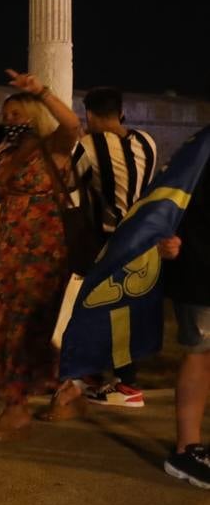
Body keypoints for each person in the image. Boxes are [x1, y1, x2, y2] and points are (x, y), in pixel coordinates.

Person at [0, 71, 83, 441]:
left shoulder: (52, 146)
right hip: (9, 248)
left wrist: (43, 91)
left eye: (18, 115)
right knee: (4, 325)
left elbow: (72, 123)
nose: (11, 122)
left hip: (42, 249)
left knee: (27, 325)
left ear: (34, 116)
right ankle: (67, 388)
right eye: (6, 116)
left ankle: (17, 408)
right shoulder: (6, 156)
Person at [73, 86, 159, 407]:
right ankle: (103, 376)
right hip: (143, 238)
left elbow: (73, 181)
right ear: (121, 113)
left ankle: (126, 384)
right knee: (124, 308)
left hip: (108, 240)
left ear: (90, 115)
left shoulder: (88, 145)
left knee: (106, 309)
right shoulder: (147, 142)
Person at [158, 165, 210, 489]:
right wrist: (165, 240)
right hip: (200, 271)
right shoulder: (199, 153)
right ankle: (186, 450)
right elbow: (163, 205)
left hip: (198, 269)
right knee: (200, 354)